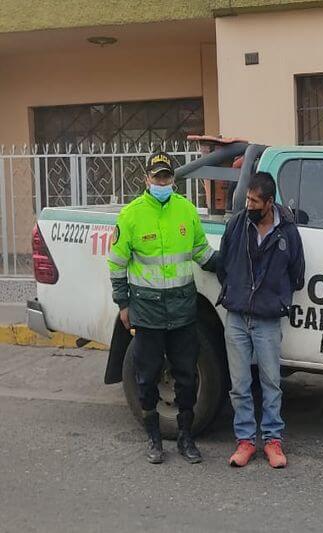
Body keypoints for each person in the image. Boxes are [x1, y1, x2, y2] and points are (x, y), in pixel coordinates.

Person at [108, 151, 217, 464]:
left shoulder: (186, 211)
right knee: (147, 376)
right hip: (148, 311)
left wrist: (230, 265)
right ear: (146, 179)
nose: (162, 181)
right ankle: (154, 439)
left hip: (183, 310)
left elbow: (202, 253)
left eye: (166, 176)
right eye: (156, 176)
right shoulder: (131, 215)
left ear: (173, 179)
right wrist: (122, 303)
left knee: (186, 378)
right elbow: (116, 263)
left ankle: (185, 438)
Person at [216, 172, 305, 468]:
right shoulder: (237, 225)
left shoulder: (288, 232)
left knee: (271, 383)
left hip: (267, 320)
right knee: (240, 384)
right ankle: (244, 441)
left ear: (269, 202)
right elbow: (223, 265)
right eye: (247, 199)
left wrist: (276, 299)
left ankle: (272, 441)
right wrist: (235, 292)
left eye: (254, 201)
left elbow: (297, 274)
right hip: (237, 317)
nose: (248, 205)